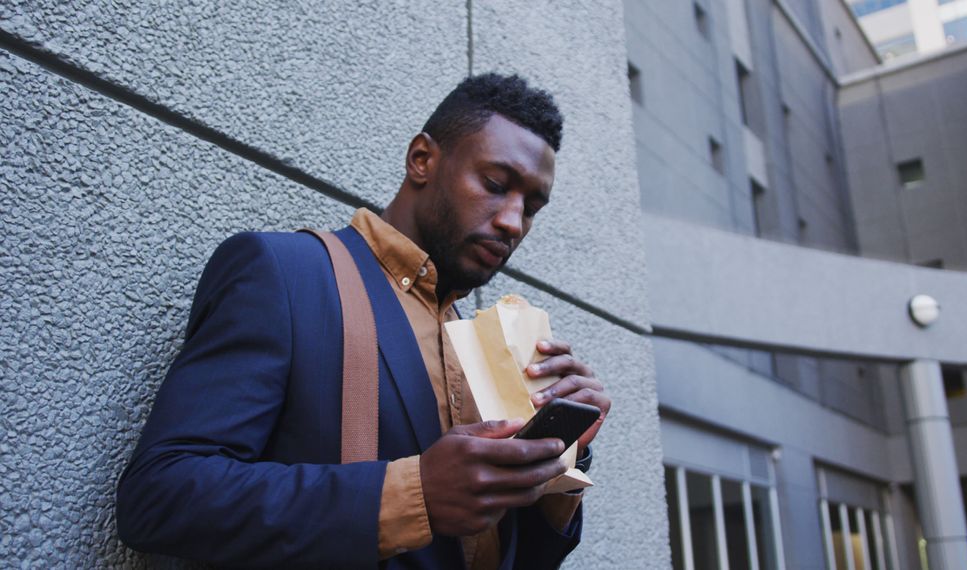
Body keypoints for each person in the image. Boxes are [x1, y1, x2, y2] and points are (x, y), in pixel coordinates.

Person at [115, 73, 611, 569]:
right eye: (496, 185)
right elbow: (161, 495)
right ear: (422, 159)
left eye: (531, 207)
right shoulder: (284, 273)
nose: (512, 221)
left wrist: (558, 462)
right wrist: (410, 495)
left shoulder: (483, 343)